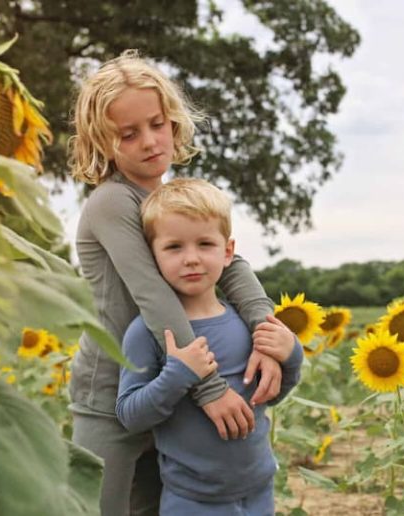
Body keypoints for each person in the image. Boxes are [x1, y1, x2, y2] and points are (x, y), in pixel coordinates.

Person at [68, 49, 283, 516]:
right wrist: (209, 388)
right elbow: (153, 297)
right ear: (103, 142)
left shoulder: (169, 199)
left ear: (174, 121)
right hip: (112, 395)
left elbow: (232, 262)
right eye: (129, 133)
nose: (150, 141)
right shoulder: (111, 203)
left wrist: (266, 330)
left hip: (173, 391)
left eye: (157, 124)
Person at [116, 178, 303, 515]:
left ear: (227, 251)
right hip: (192, 500)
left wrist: (290, 355)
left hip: (259, 488)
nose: (191, 259)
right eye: (174, 247)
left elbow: (269, 395)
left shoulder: (244, 325)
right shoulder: (148, 332)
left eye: (205, 244)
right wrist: (177, 375)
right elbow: (131, 415)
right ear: (152, 256)